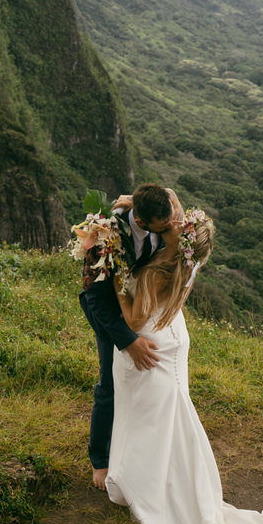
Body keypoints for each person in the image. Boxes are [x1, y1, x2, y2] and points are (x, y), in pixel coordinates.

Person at [105, 204, 263, 524]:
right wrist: (134, 201)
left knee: (146, 418)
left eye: (177, 225)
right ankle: (165, 481)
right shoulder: (190, 262)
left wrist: (117, 281)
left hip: (148, 344)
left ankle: (146, 488)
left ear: (179, 237)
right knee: (171, 416)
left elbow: (133, 318)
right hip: (174, 337)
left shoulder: (157, 271)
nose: (175, 223)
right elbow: (172, 205)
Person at [79, 183, 178, 490]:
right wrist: (128, 340)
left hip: (136, 300)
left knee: (137, 379)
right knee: (109, 381)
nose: (170, 230)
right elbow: (95, 297)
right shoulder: (105, 236)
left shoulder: (157, 211)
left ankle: (137, 447)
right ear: (142, 221)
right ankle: (101, 458)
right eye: (163, 228)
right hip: (107, 307)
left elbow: (168, 192)